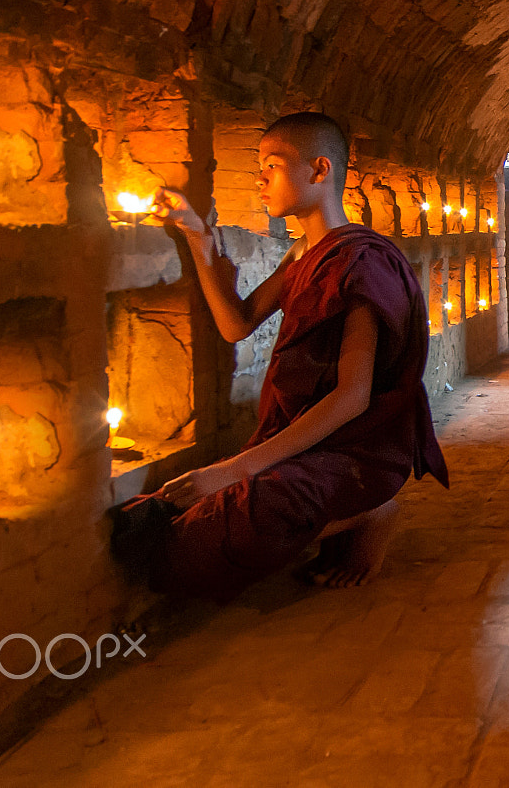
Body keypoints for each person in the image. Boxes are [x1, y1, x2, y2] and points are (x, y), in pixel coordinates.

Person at [108, 112, 448, 601]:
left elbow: (352, 398)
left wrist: (231, 469)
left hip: (358, 453)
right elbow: (237, 324)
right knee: (171, 515)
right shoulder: (301, 255)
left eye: (272, 165)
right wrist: (199, 238)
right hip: (305, 442)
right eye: (258, 167)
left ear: (319, 170)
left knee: (204, 541)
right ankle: (319, 507)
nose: (260, 179)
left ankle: (373, 510)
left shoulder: (361, 261)